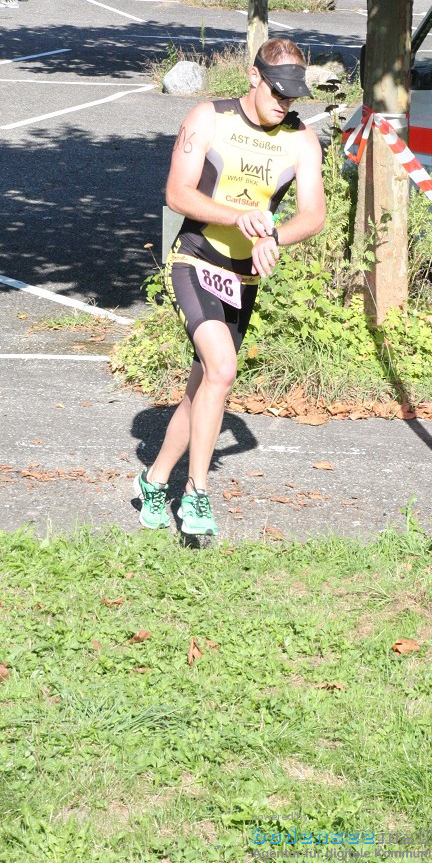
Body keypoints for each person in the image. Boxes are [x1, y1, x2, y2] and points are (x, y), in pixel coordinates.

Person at [133, 38, 326, 535]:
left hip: (244, 277)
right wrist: (242, 219)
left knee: (204, 387)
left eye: (294, 95)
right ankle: (196, 493)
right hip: (195, 259)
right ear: (253, 76)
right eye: (278, 91)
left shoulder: (302, 139)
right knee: (222, 368)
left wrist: (275, 237)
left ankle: (154, 480)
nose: (284, 103)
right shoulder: (209, 117)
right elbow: (177, 194)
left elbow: (314, 215)